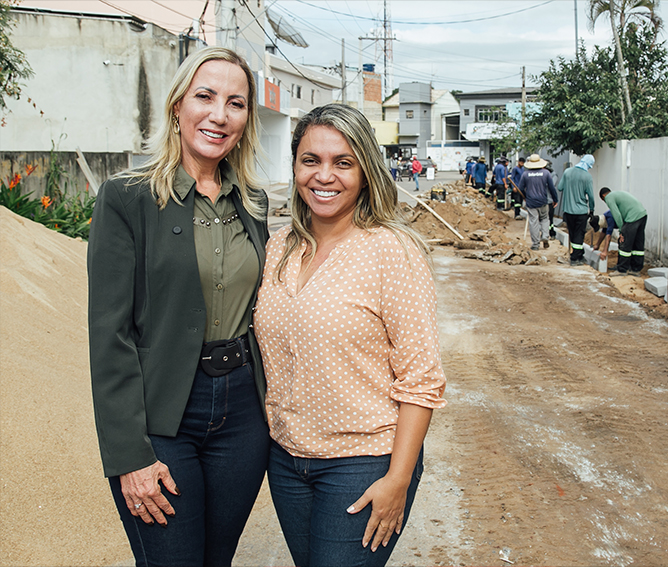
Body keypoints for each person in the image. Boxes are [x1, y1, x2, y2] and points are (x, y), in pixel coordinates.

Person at [87, 47, 270, 566]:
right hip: (163, 416)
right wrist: (129, 455)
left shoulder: (253, 202)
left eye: (236, 103)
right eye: (205, 97)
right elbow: (109, 334)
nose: (219, 115)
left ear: (246, 120)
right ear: (177, 106)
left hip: (242, 417)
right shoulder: (127, 197)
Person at [253, 103, 447, 567]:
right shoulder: (280, 246)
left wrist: (398, 479)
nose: (324, 176)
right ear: (295, 166)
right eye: (310, 160)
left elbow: (422, 379)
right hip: (287, 461)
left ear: (365, 172)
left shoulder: (391, 251)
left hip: (363, 461)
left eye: (343, 162)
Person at [600, 186, 648, 275]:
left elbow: (616, 215)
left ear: (603, 196)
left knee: (624, 242)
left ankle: (622, 269)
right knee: (637, 243)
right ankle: (635, 269)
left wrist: (621, 230)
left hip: (632, 217)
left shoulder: (609, 197)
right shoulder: (617, 194)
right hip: (642, 214)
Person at [558, 154, 595, 265]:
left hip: (568, 210)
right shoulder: (587, 176)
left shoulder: (567, 172)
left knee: (573, 233)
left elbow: (560, 187)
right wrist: (592, 209)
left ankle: (579, 255)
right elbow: (591, 196)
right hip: (581, 211)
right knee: (579, 234)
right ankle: (574, 258)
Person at [518, 154, 558, 250]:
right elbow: (552, 188)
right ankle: (545, 236)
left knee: (533, 221)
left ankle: (536, 244)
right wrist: (555, 199)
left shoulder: (525, 174)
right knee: (544, 219)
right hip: (543, 200)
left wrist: (525, 196)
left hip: (531, 202)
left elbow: (520, 188)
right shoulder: (546, 173)